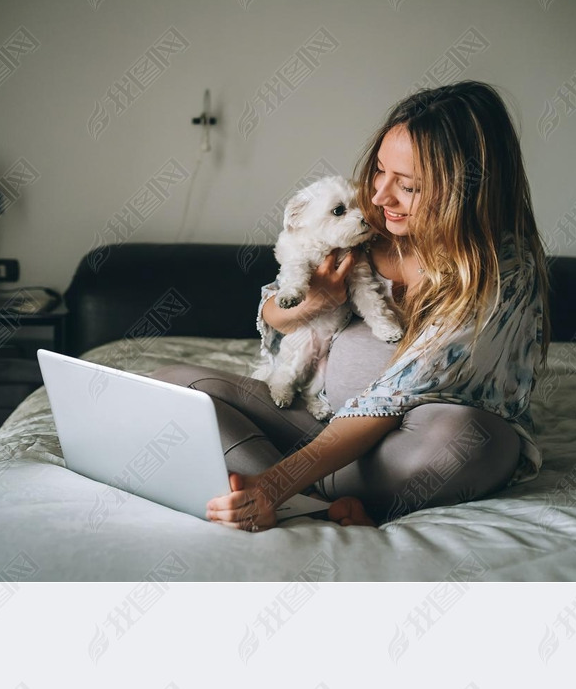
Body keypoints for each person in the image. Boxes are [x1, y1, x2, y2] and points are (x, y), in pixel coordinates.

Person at [149, 81, 550, 531]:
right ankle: (323, 500)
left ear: (466, 192)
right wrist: (310, 302)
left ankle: (284, 488)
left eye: (409, 186)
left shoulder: (500, 270)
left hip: (407, 446)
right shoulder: (366, 227)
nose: (379, 196)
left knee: (470, 440)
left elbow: (398, 392)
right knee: (171, 385)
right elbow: (273, 310)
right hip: (318, 424)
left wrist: (273, 485)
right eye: (380, 170)